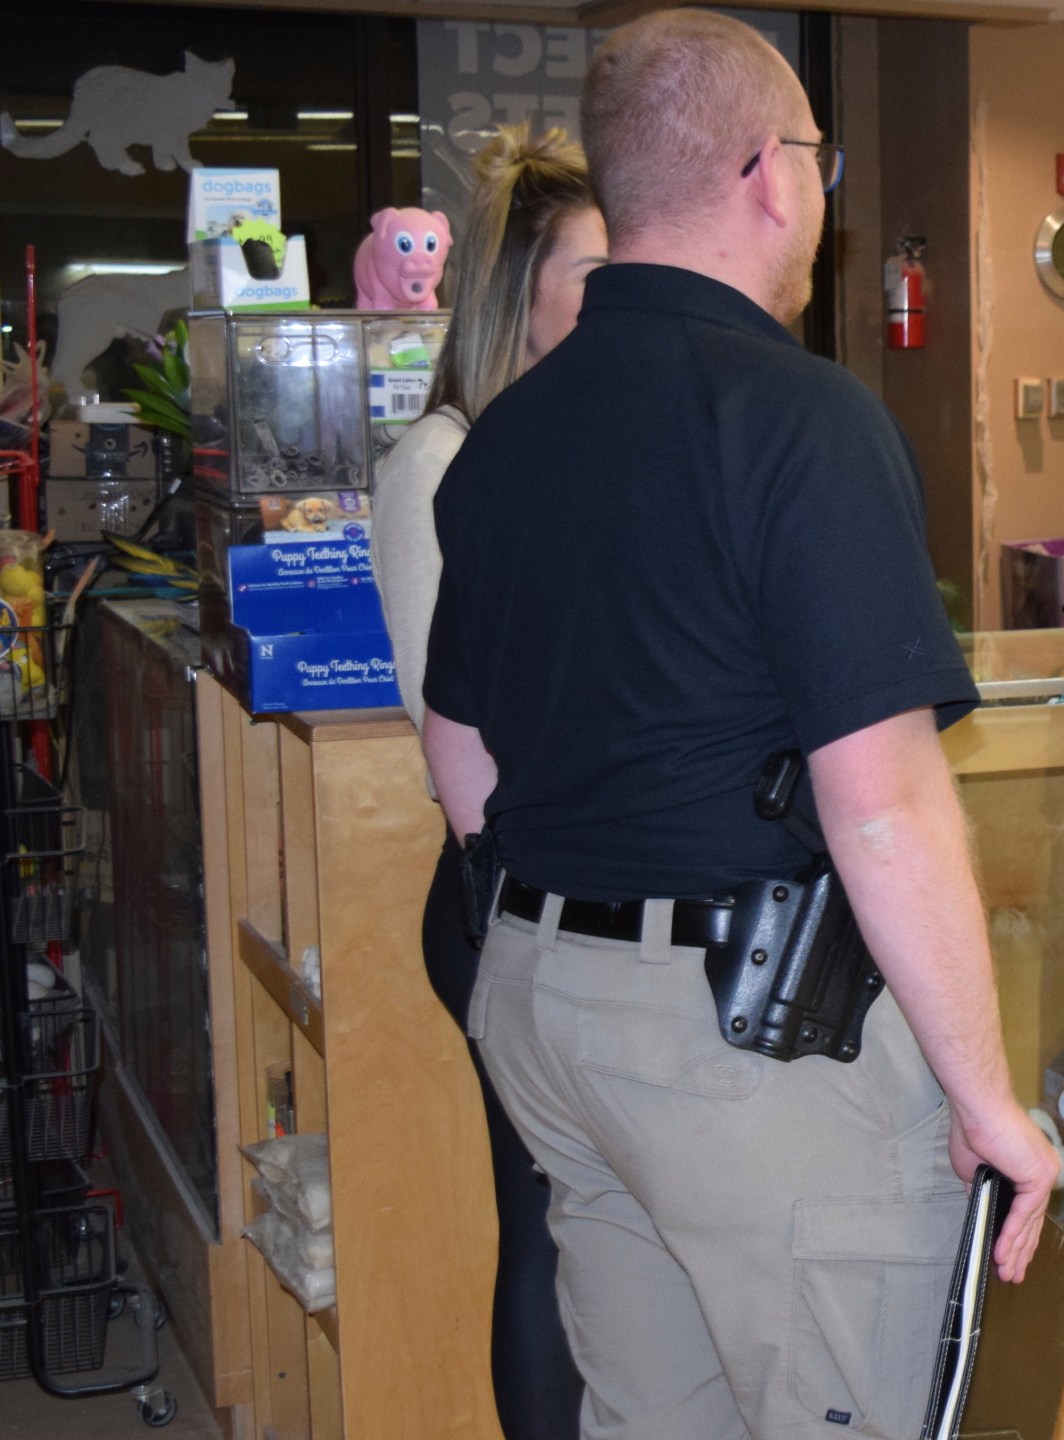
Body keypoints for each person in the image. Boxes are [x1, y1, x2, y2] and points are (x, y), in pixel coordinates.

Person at [419, 12, 1056, 1439]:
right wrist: (989, 1101)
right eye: (819, 162)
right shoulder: (801, 419)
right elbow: (881, 804)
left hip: (547, 1003)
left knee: (654, 1414)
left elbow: (458, 746)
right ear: (772, 172)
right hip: (744, 1041)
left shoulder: (505, 428)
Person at [372, 123, 605, 1440]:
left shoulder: (569, 448)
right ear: (523, 289)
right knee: (548, 1230)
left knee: (606, 1243)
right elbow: (451, 730)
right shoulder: (440, 464)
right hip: (504, 899)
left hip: (592, 896)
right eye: (592, 273)